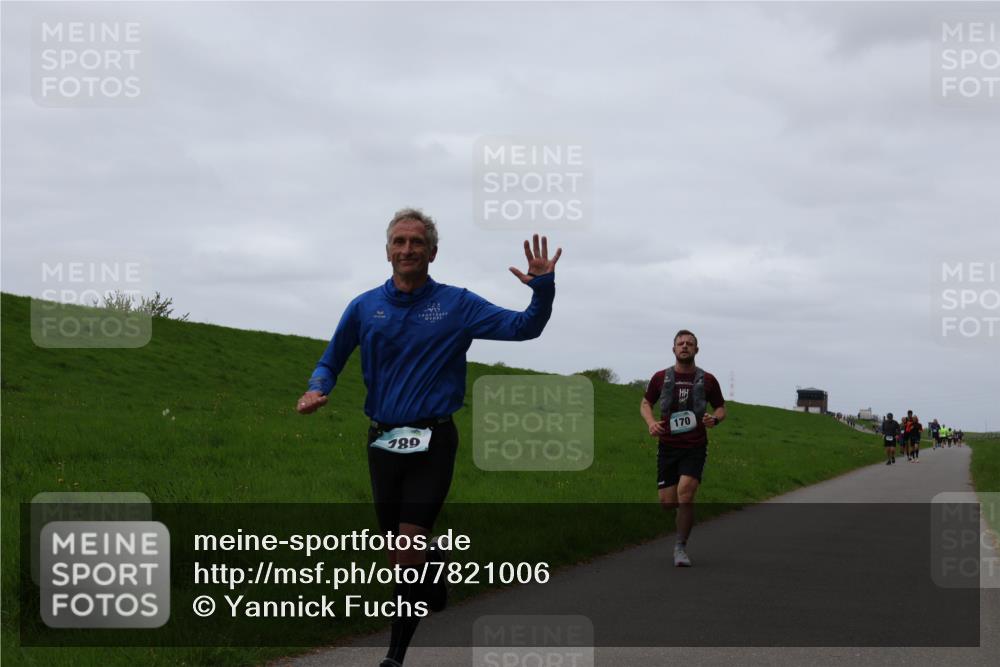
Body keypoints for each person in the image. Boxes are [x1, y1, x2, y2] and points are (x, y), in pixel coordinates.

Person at [296, 208, 561, 667]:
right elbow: (330, 359)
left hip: (433, 440)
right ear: (387, 252)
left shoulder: (456, 305)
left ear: (432, 252)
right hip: (382, 442)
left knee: (404, 547)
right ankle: (433, 562)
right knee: (400, 550)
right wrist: (319, 387)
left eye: (416, 243)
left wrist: (543, 288)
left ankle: (394, 657)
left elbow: (525, 327)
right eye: (399, 242)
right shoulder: (364, 307)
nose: (407, 250)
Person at [640, 330, 726, 567]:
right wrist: (650, 423)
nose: (685, 346)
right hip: (668, 446)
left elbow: (721, 407)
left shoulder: (708, 380)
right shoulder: (661, 377)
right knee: (668, 503)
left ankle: (680, 547)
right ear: (674, 349)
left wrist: (714, 419)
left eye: (689, 344)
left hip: (694, 446)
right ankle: (681, 514)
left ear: (696, 350)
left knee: (686, 494)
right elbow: (646, 402)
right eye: (680, 343)